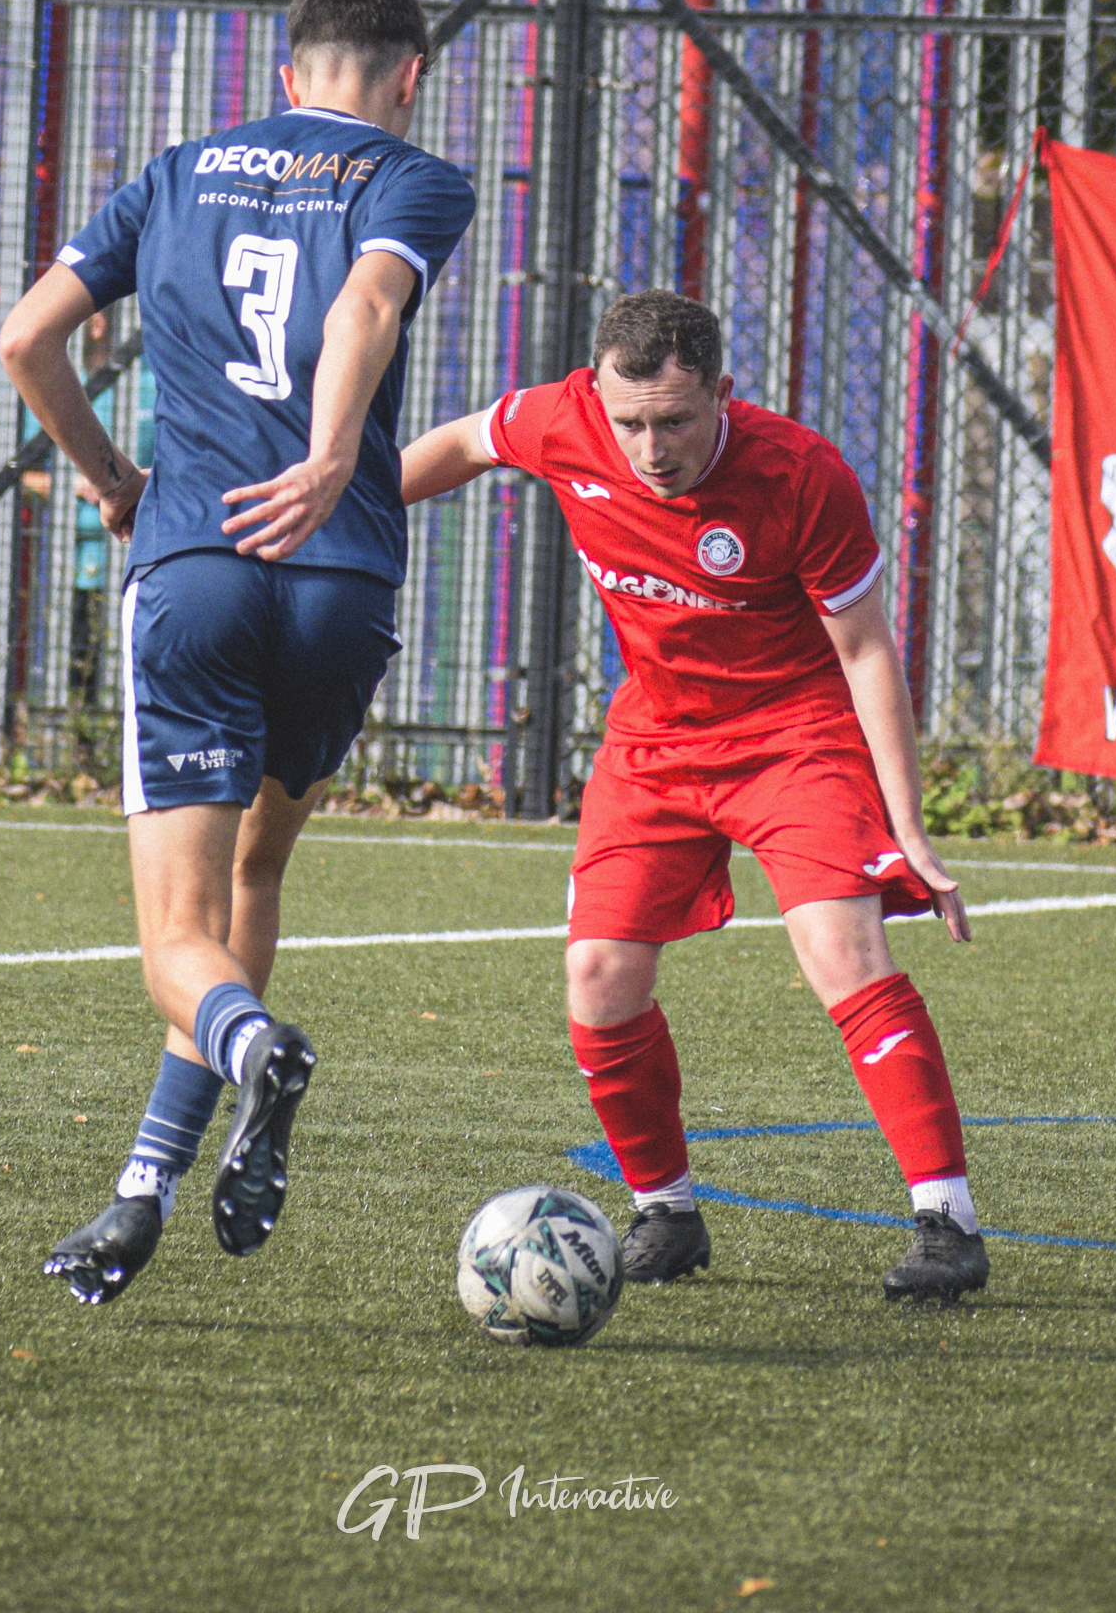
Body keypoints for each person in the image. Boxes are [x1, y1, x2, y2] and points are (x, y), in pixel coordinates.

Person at [0, 0, 475, 1306]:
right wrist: (328, 461)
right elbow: (365, 305)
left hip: (198, 566)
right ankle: (146, 1182)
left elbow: (28, 338)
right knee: (256, 873)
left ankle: (252, 1044)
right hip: (341, 581)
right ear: (410, 75)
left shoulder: (173, 173)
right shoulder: (414, 177)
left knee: (178, 939)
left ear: (286, 74)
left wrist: (109, 477)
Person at [401, 291, 991, 1303]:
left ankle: (948, 1221)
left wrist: (911, 826)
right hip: (656, 735)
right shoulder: (560, 420)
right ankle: (666, 1211)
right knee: (598, 974)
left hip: (792, 729)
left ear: (723, 391)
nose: (651, 447)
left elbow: (864, 651)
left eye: (675, 420)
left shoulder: (801, 474)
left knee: (842, 950)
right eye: (630, 423)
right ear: (598, 396)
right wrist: (340, 504)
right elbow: (462, 441)